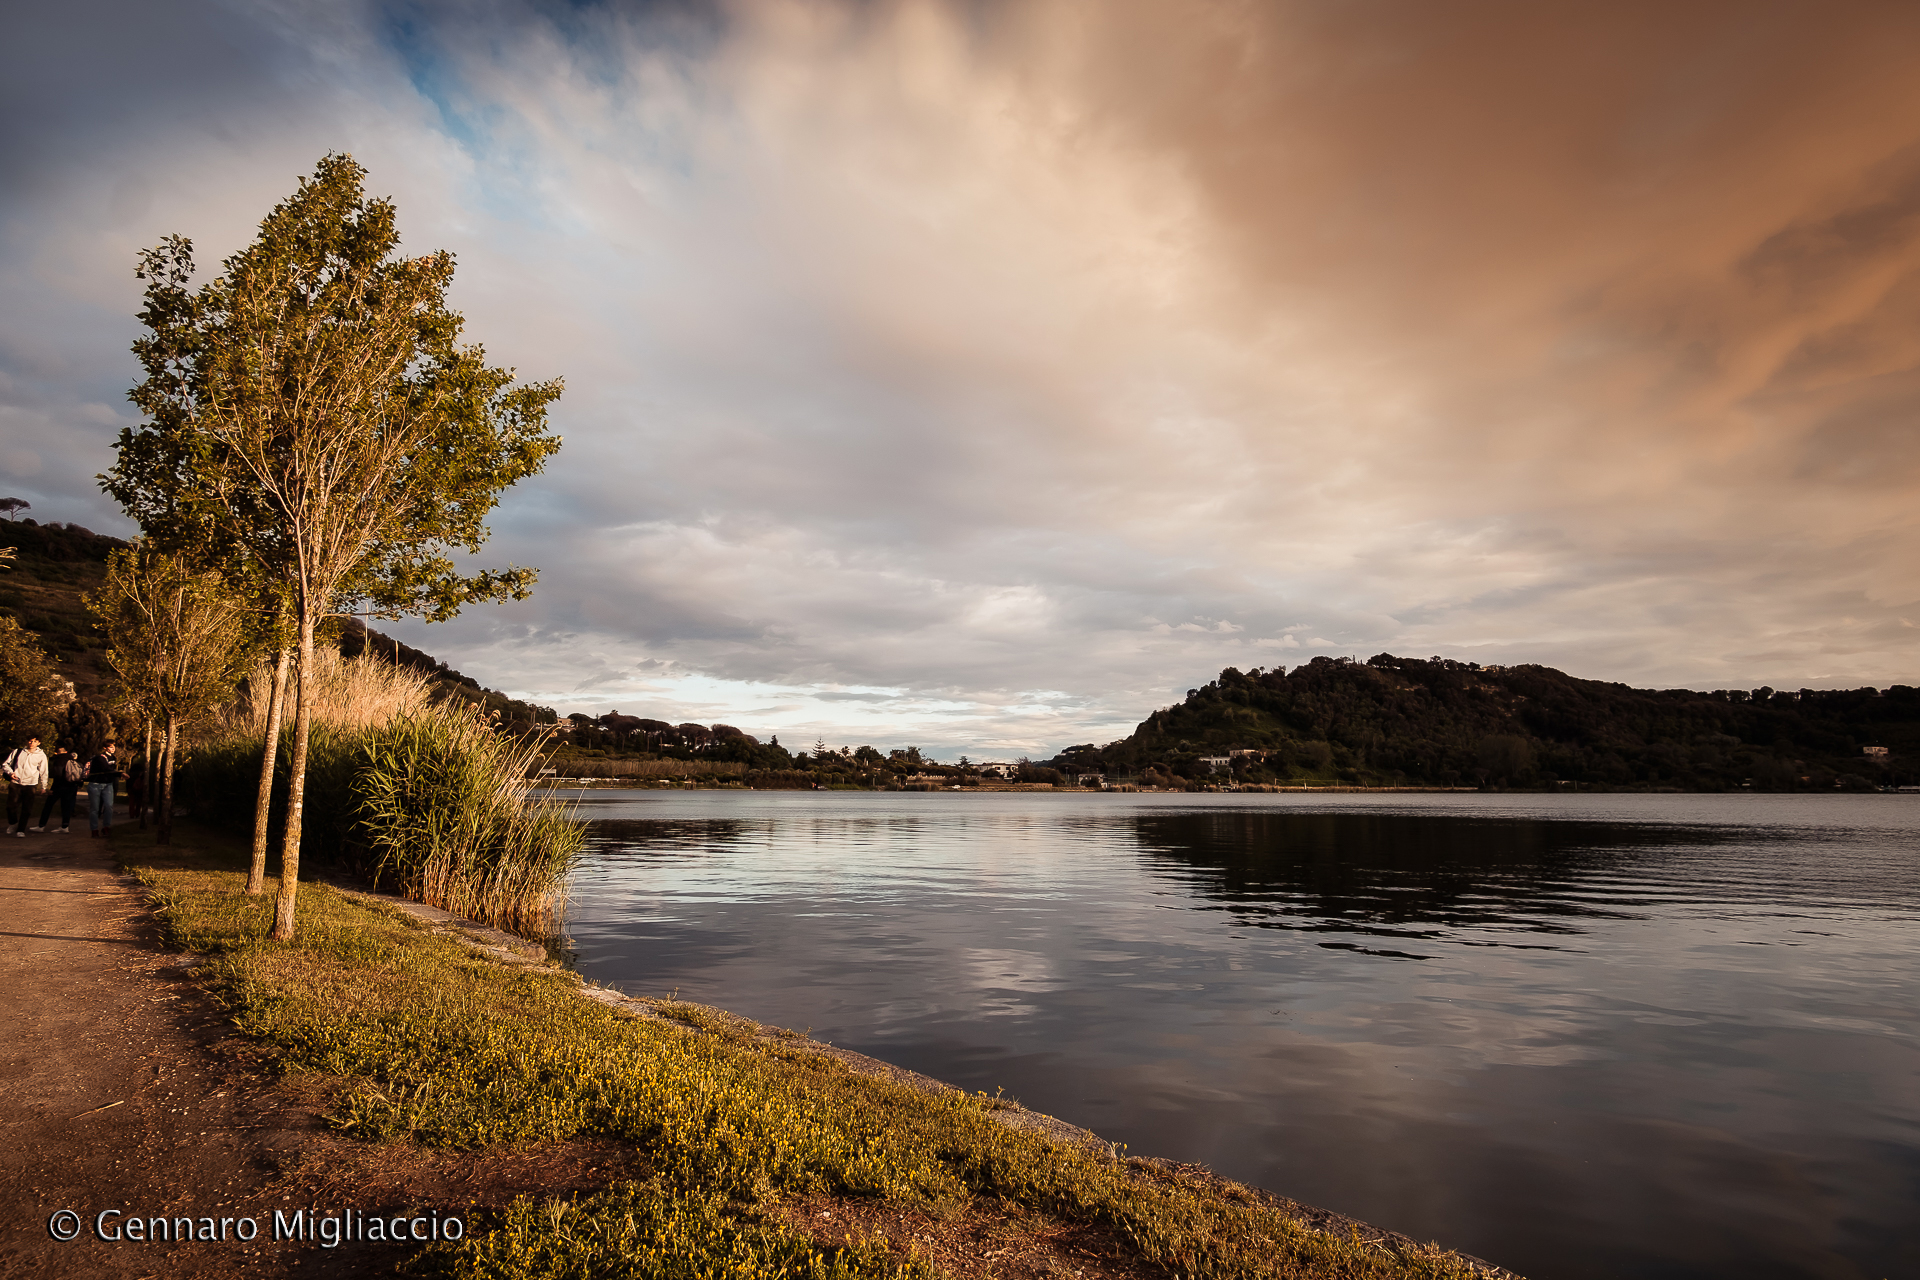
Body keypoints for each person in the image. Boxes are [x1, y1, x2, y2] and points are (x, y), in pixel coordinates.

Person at [5, 736, 49, 837]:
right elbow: (5, 764)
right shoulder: (18, 752)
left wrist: (44, 786)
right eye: (30, 741)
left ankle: (21, 830)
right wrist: (11, 773)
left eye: (35, 741)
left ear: (38, 743)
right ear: (27, 741)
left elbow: (44, 771)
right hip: (16, 783)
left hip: (30, 784)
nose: (32, 743)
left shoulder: (41, 755)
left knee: (27, 808)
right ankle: (13, 823)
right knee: (10, 807)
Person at [35, 742, 82, 834]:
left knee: (48, 805)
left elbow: (58, 775)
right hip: (71, 785)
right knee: (66, 806)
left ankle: (41, 825)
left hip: (60, 786)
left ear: (57, 752)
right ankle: (65, 826)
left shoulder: (59, 760)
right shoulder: (72, 759)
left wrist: (52, 788)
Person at [86, 741, 123, 839]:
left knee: (109, 806)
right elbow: (106, 769)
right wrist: (120, 774)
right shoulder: (99, 758)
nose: (113, 748)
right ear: (105, 748)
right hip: (95, 784)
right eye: (110, 747)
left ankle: (106, 827)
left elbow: (111, 771)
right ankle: (94, 829)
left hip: (108, 785)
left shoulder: (113, 758)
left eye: (114, 746)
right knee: (95, 808)